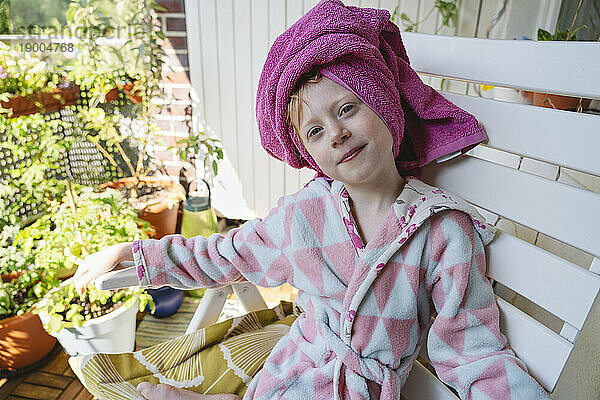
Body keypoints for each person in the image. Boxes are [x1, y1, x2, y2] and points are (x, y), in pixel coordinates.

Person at [74, 1, 550, 399]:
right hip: (286, 375)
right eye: (316, 130)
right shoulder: (304, 216)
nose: (338, 134)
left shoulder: (443, 232)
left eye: (348, 109)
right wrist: (136, 256)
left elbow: (472, 348)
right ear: (309, 153)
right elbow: (224, 254)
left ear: (385, 105)